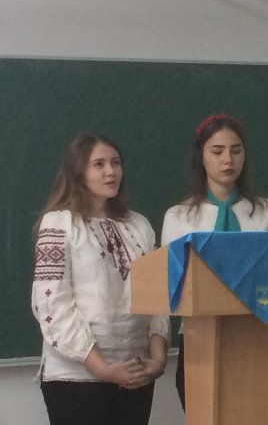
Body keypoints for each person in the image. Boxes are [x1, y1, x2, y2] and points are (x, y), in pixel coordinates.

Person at [31, 132, 170, 425]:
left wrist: (158, 359)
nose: (111, 171)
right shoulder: (58, 223)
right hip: (76, 378)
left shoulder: (139, 225)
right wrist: (102, 368)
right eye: (99, 164)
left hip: (134, 374)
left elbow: (157, 296)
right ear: (78, 172)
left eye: (115, 163)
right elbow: (52, 305)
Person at [161, 113, 268, 410]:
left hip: (257, 337)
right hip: (198, 339)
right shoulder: (179, 216)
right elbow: (168, 284)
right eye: (217, 151)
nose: (228, 159)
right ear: (201, 157)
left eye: (236, 150)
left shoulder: (266, 210)